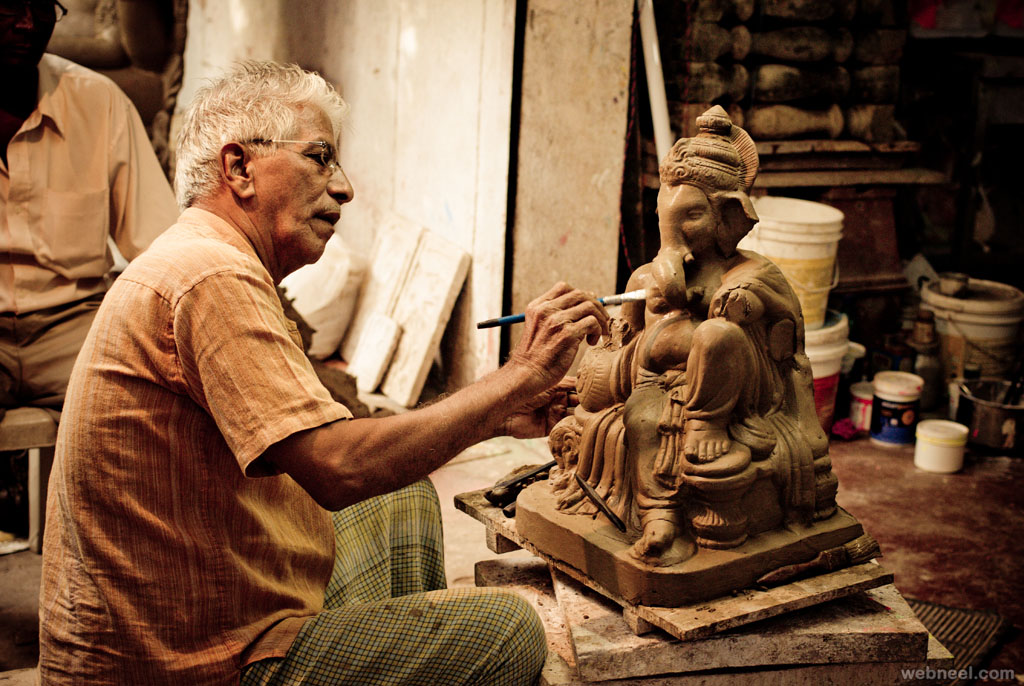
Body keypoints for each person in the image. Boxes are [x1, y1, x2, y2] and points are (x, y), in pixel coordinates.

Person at [38, 60, 609, 685]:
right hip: (185, 664)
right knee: (509, 632)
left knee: (403, 496)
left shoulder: (207, 260)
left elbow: (345, 455)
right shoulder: (210, 276)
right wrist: (521, 374)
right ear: (238, 169)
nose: (345, 188)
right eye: (320, 157)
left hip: (202, 611)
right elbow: (340, 467)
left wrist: (493, 414)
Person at [548, 106, 836, 565]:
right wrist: (633, 319)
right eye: (669, 215)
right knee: (641, 417)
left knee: (716, 336)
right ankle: (659, 518)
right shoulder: (649, 274)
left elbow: (773, 322)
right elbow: (625, 344)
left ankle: (707, 422)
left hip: (738, 393)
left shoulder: (751, 271)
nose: (675, 233)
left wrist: (734, 304)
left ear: (730, 217)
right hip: (661, 386)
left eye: (693, 217)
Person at [0, 0, 178, 533]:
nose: (28, 24)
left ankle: (112, 582)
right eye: (9, 6)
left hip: (73, 322)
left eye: (40, 6)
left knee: (157, 412)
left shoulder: (97, 102)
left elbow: (162, 248)